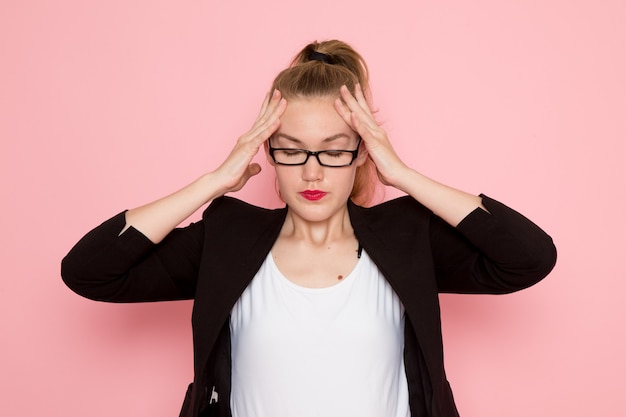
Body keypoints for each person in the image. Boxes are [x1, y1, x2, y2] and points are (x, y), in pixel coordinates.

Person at [61, 39, 557, 417]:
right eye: (292, 149)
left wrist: (402, 175)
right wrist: (212, 183)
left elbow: (528, 258)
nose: (312, 171)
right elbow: (90, 272)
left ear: (362, 150)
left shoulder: (406, 238)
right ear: (268, 151)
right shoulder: (227, 240)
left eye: (335, 149)